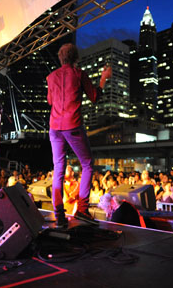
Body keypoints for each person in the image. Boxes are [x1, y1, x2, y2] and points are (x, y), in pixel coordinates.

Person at [46, 43, 112, 228]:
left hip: (54, 127)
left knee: (59, 167)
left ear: (60, 58)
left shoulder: (51, 77)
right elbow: (94, 97)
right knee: (87, 164)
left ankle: (59, 213)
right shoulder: (79, 74)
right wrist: (103, 78)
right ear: (76, 58)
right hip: (72, 125)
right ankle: (82, 210)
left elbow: (50, 101)